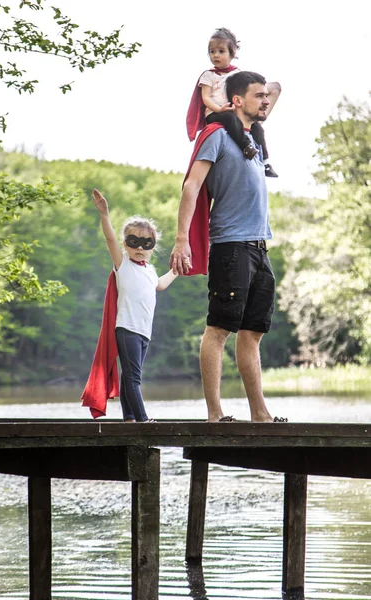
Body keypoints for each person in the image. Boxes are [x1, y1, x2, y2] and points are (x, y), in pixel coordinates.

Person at [171, 70, 287, 424]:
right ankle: (215, 414)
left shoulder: (252, 138)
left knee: (252, 333)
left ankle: (260, 414)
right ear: (237, 101)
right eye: (257, 96)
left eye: (265, 96)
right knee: (219, 329)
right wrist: (181, 240)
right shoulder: (218, 136)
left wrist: (259, 88)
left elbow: (275, 91)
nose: (265, 100)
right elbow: (191, 187)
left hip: (259, 247)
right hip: (230, 246)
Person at [82, 189, 177, 422]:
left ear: (153, 246)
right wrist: (104, 215)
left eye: (146, 243)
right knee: (134, 377)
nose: (140, 248)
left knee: (129, 377)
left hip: (144, 332)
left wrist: (177, 269)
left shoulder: (150, 270)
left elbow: (161, 285)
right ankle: (143, 420)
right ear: (126, 244)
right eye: (134, 242)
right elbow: (110, 239)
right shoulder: (123, 264)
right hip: (127, 328)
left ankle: (129, 418)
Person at [186, 27, 281, 177]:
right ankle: (246, 146)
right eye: (212, 51)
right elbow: (206, 97)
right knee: (230, 119)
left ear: (232, 52)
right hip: (215, 113)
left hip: (232, 110)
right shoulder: (208, 75)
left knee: (257, 128)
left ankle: (265, 162)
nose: (216, 55)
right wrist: (218, 109)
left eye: (221, 51)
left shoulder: (237, 73)